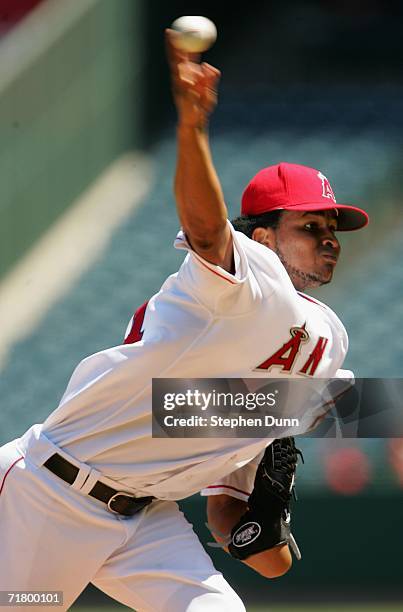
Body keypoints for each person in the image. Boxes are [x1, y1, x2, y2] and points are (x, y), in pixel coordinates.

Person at [0, 29, 368, 612]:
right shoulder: (246, 279)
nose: (329, 241)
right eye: (310, 227)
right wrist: (192, 128)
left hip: (146, 521)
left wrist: (259, 528)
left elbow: (235, 525)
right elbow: (206, 229)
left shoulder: (327, 344)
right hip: (50, 497)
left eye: (333, 231)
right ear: (265, 236)